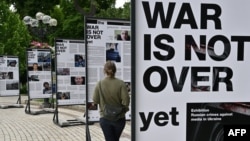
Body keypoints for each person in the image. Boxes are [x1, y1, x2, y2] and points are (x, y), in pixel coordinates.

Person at [92, 61, 130, 141]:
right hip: (119, 118)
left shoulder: (99, 84)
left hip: (105, 118)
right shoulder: (121, 83)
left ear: (104, 71)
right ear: (115, 70)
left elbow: (95, 100)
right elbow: (126, 101)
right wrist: (124, 110)